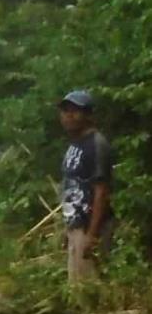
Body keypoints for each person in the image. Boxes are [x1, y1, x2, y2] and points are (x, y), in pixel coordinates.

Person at [58, 90, 114, 283]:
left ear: (89, 115)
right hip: (75, 226)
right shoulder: (75, 144)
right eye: (65, 111)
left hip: (90, 226)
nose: (68, 116)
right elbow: (71, 186)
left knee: (91, 286)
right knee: (76, 287)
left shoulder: (97, 145)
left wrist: (92, 235)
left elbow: (101, 192)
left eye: (75, 111)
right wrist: (68, 228)